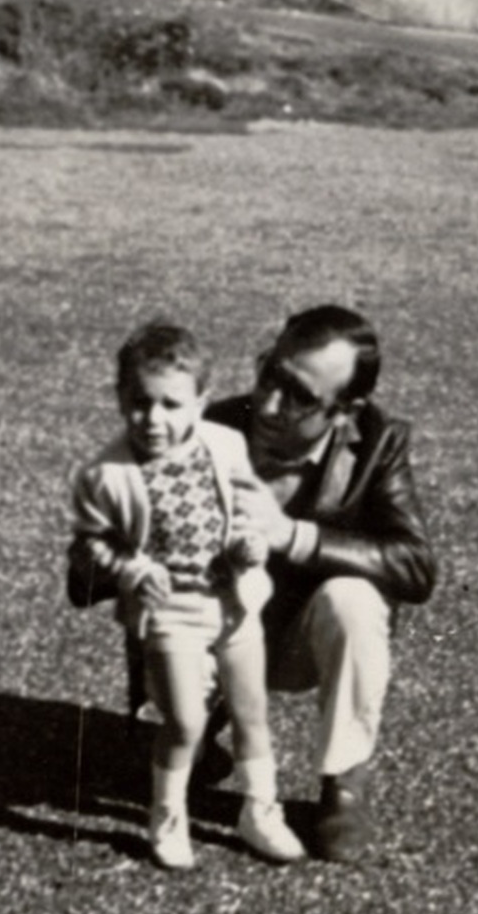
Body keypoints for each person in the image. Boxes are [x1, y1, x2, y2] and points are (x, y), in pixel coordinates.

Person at [70, 305, 437, 864]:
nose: (267, 404)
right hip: (206, 631)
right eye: (269, 373)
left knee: (355, 601)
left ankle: (343, 786)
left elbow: (415, 567)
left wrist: (291, 534)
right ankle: (193, 734)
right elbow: (84, 573)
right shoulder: (205, 426)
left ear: (347, 411)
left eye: (299, 396)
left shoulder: (379, 444)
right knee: (170, 753)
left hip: (296, 638)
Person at [68, 321, 306, 870]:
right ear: (119, 398)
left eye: (171, 405)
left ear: (201, 401)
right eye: (139, 403)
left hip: (233, 602)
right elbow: (88, 548)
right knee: (186, 723)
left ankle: (259, 809)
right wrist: (128, 568)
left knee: (252, 713)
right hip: (171, 611)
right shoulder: (106, 473)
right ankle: (167, 813)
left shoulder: (225, 444)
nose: (153, 420)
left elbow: (247, 510)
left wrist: (249, 544)